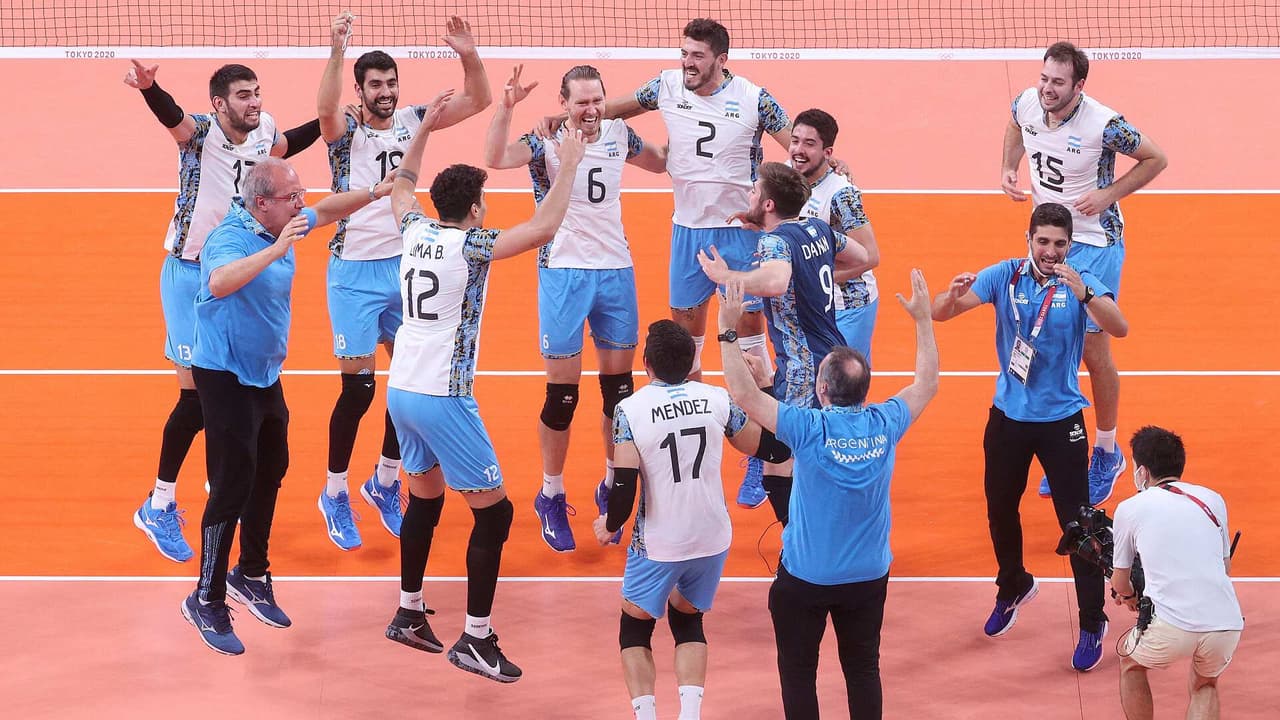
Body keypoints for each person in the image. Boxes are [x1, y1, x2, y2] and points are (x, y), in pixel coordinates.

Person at [540, 18, 794, 510]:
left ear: (721, 59)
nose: (687, 63)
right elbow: (613, 107)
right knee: (686, 346)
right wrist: (566, 117)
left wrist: (801, 190)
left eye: (697, 56)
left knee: (750, 345)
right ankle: (696, 433)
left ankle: (762, 453)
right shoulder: (666, 85)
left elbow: (794, 149)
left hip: (740, 233)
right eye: (684, 53)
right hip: (687, 233)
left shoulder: (754, 99)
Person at [381, 94, 587, 683]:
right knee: (495, 516)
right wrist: (569, 165)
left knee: (425, 499)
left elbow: (402, 185)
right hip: (443, 396)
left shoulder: (414, 228)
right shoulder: (470, 246)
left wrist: (422, 130)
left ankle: (409, 610)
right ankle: (476, 639)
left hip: (402, 391)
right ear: (475, 208)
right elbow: (545, 227)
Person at [180, 159, 396, 655]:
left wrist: (375, 192)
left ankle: (251, 572)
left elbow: (328, 209)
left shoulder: (284, 219)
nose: (301, 204)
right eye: (291, 197)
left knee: (271, 468)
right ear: (261, 204)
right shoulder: (231, 237)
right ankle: (206, 597)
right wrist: (277, 249)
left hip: (263, 374)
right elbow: (218, 282)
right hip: (224, 375)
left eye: (300, 195)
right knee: (231, 485)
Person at [124, 61, 324, 563]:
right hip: (192, 272)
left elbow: (287, 145)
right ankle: (159, 504)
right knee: (197, 397)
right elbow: (172, 118)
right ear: (219, 103)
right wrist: (150, 88)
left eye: (256, 92)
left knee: (229, 389)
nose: (254, 102)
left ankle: (222, 479)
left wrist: (331, 120)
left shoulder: (265, 131)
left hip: (239, 268)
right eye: (242, 95)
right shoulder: (200, 134)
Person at [718, 270, 939, 720]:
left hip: (807, 578)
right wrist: (922, 320)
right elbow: (926, 384)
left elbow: (742, 393)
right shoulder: (885, 423)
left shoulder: (809, 428)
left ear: (821, 390)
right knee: (863, 669)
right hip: (868, 576)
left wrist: (727, 329)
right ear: (864, 391)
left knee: (799, 673)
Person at [315, 12, 492, 551]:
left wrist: (467, 53)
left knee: (405, 383)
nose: (386, 92)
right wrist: (337, 50)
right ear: (360, 90)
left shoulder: (416, 118)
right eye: (376, 85)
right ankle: (335, 492)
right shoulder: (345, 133)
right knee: (359, 389)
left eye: (391, 83)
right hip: (354, 272)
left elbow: (479, 99)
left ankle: (385, 481)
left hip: (403, 266)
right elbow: (324, 110)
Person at [930, 202, 1129, 671]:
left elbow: (1120, 327)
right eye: (1043, 242)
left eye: (1059, 243)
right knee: (1000, 510)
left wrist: (1085, 295)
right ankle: (1014, 584)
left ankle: (1092, 620)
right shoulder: (1005, 275)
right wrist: (951, 296)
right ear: (1029, 239)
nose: (1050, 251)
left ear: (1069, 245)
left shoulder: (1079, 281)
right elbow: (941, 313)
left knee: (1079, 528)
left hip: (1062, 421)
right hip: (1008, 417)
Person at [484, 63, 668, 552]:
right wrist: (506, 108)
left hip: (615, 271)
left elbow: (663, 162)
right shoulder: (545, 140)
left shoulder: (620, 134)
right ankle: (551, 493)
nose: (591, 110)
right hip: (563, 272)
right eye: (581, 102)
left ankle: (610, 483)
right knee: (562, 397)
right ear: (563, 104)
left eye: (597, 100)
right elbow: (495, 156)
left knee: (618, 395)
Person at [591, 320, 791, 720]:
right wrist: (766, 386)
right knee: (688, 619)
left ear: (645, 363)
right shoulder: (716, 399)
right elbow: (773, 449)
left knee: (635, 629)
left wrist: (609, 526)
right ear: (690, 362)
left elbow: (625, 487)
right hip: (713, 537)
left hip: (661, 542)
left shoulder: (630, 410)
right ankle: (690, 714)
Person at [1000, 40, 1168, 504]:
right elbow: (1015, 122)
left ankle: (1107, 453)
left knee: (1094, 350)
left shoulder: (1104, 123)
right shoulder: (1028, 102)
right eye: (1044, 78)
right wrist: (1008, 167)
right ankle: (1064, 449)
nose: (1047, 89)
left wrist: (1109, 194)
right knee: (1052, 344)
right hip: (1050, 241)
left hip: (1095, 244)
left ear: (1079, 86)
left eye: (1058, 82)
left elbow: (1156, 158)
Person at [698, 161, 869, 524]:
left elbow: (775, 282)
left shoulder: (775, 242)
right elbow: (861, 256)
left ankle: (798, 540)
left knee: (779, 459)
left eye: (754, 192)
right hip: (833, 353)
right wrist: (807, 275)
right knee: (818, 447)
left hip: (803, 367)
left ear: (769, 204)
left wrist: (726, 275)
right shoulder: (818, 228)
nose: (749, 196)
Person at [1112, 426, 1244, 720]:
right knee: (1205, 685)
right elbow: (1225, 567)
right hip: (1226, 622)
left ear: (1142, 472)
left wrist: (1131, 597)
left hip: (1173, 626)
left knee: (1131, 665)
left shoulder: (1130, 508)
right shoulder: (1213, 499)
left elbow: (1120, 581)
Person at [789, 108, 881, 364]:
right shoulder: (787, 177)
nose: (798, 150)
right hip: (813, 303)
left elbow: (871, 257)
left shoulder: (842, 195)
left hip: (848, 304)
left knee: (843, 380)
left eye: (809, 144)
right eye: (795, 141)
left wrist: (816, 280)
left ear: (827, 153)